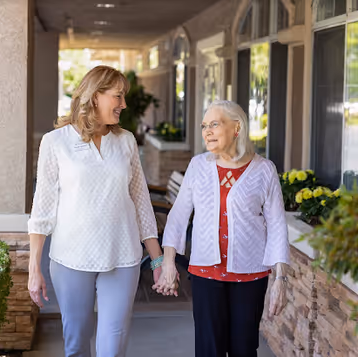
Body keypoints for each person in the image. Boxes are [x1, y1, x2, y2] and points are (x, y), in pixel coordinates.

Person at [27, 65, 165, 357]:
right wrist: (33, 268)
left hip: (123, 256)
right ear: (94, 97)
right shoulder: (55, 142)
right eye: (117, 96)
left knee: (112, 347)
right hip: (71, 258)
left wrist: (157, 261)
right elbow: (42, 207)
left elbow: (140, 201)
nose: (124, 104)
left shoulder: (126, 141)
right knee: (76, 345)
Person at [154, 100, 290, 357]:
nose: (207, 131)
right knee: (209, 350)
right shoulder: (198, 166)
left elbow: (277, 225)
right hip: (206, 272)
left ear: (237, 128)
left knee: (244, 349)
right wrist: (168, 262)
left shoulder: (264, 170)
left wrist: (280, 279)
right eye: (205, 126)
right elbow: (178, 216)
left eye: (214, 124)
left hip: (250, 276)